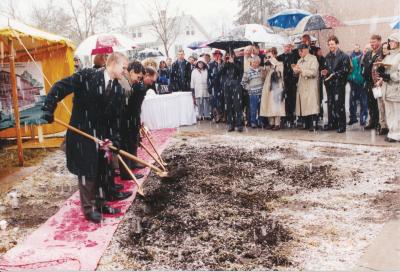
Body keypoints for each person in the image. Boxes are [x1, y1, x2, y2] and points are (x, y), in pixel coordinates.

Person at [41, 52, 132, 223]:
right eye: (124, 67)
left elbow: (115, 119)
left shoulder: (117, 89)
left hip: (102, 137)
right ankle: (88, 209)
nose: (125, 72)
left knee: (104, 170)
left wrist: (114, 140)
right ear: (112, 63)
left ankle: (102, 202)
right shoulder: (88, 75)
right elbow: (62, 86)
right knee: (87, 171)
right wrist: (49, 107)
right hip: (82, 132)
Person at [322, 35, 351, 133]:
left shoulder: (344, 56)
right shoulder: (327, 56)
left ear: (337, 44)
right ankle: (332, 123)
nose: (331, 46)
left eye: (333, 44)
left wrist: (336, 74)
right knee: (330, 104)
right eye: (329, 44)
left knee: (339, 105)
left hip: (339, 84)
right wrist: (324, 73)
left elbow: (346, 70)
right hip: (329, 84)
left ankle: (341, 125)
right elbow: (325, 68)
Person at [377, 32, 400, 142]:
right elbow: (385, 69)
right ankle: (392, 132)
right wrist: (381, 71)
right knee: (389, 112)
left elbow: (399, 74)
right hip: (387, 89)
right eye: (389, 41)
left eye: (392, 41)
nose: (390, 43)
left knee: (397, 112)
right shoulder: (389, 56)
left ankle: (397, 133)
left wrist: (389, 76)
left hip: (396, 89)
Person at [293, 44, 320, 131]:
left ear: (306, 50)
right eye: (298, 51)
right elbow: (297, 74)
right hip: (302, 85)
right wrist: (295, 71)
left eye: (301, 50)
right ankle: (305, 124)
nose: (299, 53)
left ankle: (312, 124)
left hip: (310, 85)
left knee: (310, 105)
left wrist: (302, 71)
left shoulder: (313, 59)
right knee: (303, 105)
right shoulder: (299, 61)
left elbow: (313, 72)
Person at [260, 48, 285, 130]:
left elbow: (280, 74)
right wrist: (264, 67)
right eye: (267, 56)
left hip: (276, 86)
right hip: (268, 86)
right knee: (268, 103)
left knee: (276, 103)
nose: (268, 58)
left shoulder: (279, 63)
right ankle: (271, 122)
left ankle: (277, 123)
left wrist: (273, 63)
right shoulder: (268, 66)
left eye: (270, 56)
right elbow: (263, 77)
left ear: (274, 55)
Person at [362, 34, 383, 131]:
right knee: (370, 104)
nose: (372, 44)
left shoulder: (382, 53)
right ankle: (372, 121)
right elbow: (364, 66)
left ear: (379, 41)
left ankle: (379, 123)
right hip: (368, 83)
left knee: (378, 104)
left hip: (377, 83)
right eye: (371, 42)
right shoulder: (368, 53)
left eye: (374, 42)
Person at [221, 52, 243, 132]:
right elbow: (221, 72)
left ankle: (239, 124)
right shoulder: (224, 63)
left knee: (237, 105)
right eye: (227, 55)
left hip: (236, 86)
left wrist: (233, 63)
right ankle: (230, 124)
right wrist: (226, 64)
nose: (228, 57)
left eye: (230, 55)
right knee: (229, 105)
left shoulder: (238, 62)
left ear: (233, 55)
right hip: (227, 86)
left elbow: (240, 71)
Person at [277, 43, 298, 127]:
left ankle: (292, 118)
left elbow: (296, 66)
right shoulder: (280, 57)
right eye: (285, 47)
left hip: (292, 81)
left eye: (288, 47)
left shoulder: (294, 55)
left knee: (292, 100)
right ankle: (284, 118)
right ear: (283, 47)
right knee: (283, 100)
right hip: (283, 81)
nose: (287, 48)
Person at [241, 55, 264, 128]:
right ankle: (253, 122)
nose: (255, 64)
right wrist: (250, 89)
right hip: (253, 94)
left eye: (257, 62)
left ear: (259, 63)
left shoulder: (261, 70)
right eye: (254, 62)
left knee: (261, 109)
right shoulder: (248, 72)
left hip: (262, 93)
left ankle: (260, 122)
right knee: (253, 108)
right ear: (251, 63)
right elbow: (243, 83)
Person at [348, 44, 368, 126]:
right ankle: (353, 118)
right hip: (353, 82)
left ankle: (362, 120)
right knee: (352, 102)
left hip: (362, 83)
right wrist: (350, 78)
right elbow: (350, 69)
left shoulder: (365, 57)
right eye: (355, 47)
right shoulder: (351, 57)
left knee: (363, 103)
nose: (356, 48)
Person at [236, 45, 253, 126]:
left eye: (249, 50)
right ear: (244, 51)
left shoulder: (253, 60)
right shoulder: (238, 59)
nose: (247, 52)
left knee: (249, 103)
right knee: (240, 103)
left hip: (250, 84)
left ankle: (249, 121)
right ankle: (240, 120)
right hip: (240, 84)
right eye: (246, 50)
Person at [208, 50, 224, 122]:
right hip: (214, 85)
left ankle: (223, 115)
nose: (217, 56)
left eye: (219, 55)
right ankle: (215, 115)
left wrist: (220, 65)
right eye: (216, 55)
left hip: (222, 85)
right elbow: (209, 76)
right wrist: (210, 86)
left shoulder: (224, 63)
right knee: (214, 101)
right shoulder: (211, 64)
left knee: (222, 101)